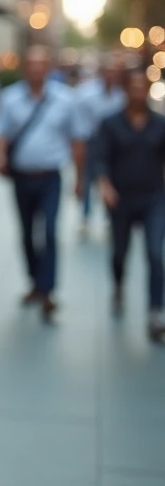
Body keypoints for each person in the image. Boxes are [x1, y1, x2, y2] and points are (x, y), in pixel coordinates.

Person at [0, 45, 88, 322]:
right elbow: (1, 133)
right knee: (25, 232)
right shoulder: (10, 98)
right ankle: (35, 281)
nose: (36, 70)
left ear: (48, 68)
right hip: (22, 177)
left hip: (50, 177)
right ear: (25, 68)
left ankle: (48, 290)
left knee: (48, 232)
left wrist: (80, 179)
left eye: (40, 65)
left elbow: (77, 140)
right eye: (31, 64)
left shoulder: (64, 99)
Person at [92, 70, 165, 341]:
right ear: (125, 91)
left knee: (155, 254)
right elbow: (99, 157)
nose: (137, 92)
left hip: (154, 197)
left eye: (141, 87)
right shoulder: (111, 124)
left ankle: (156, 311)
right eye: (132, 87)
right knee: (120, 252)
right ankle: (119, 286)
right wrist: (105, 185)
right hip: (121, 197)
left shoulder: (159, 123)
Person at [75, 55, 127, 237]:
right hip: (92, 142)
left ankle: (109, 216)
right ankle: (85, 217)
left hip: (114, 145)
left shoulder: (122, 95)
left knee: (111, 179)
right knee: (88, 180)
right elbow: (80, 124)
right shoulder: (86, 94)